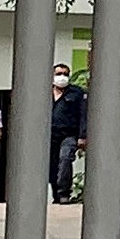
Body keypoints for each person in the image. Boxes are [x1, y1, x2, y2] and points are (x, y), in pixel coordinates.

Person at [47, 61, 87, 205]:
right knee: (51, 166)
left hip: (69, 135)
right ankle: (56, 194)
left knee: (65, 160)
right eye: (59, 74)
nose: (62, 77)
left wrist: (82, 136)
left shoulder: (76, 93)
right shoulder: (45, 91)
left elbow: (83, 115)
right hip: (49, 136)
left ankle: (64, 194)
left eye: (65, 74)